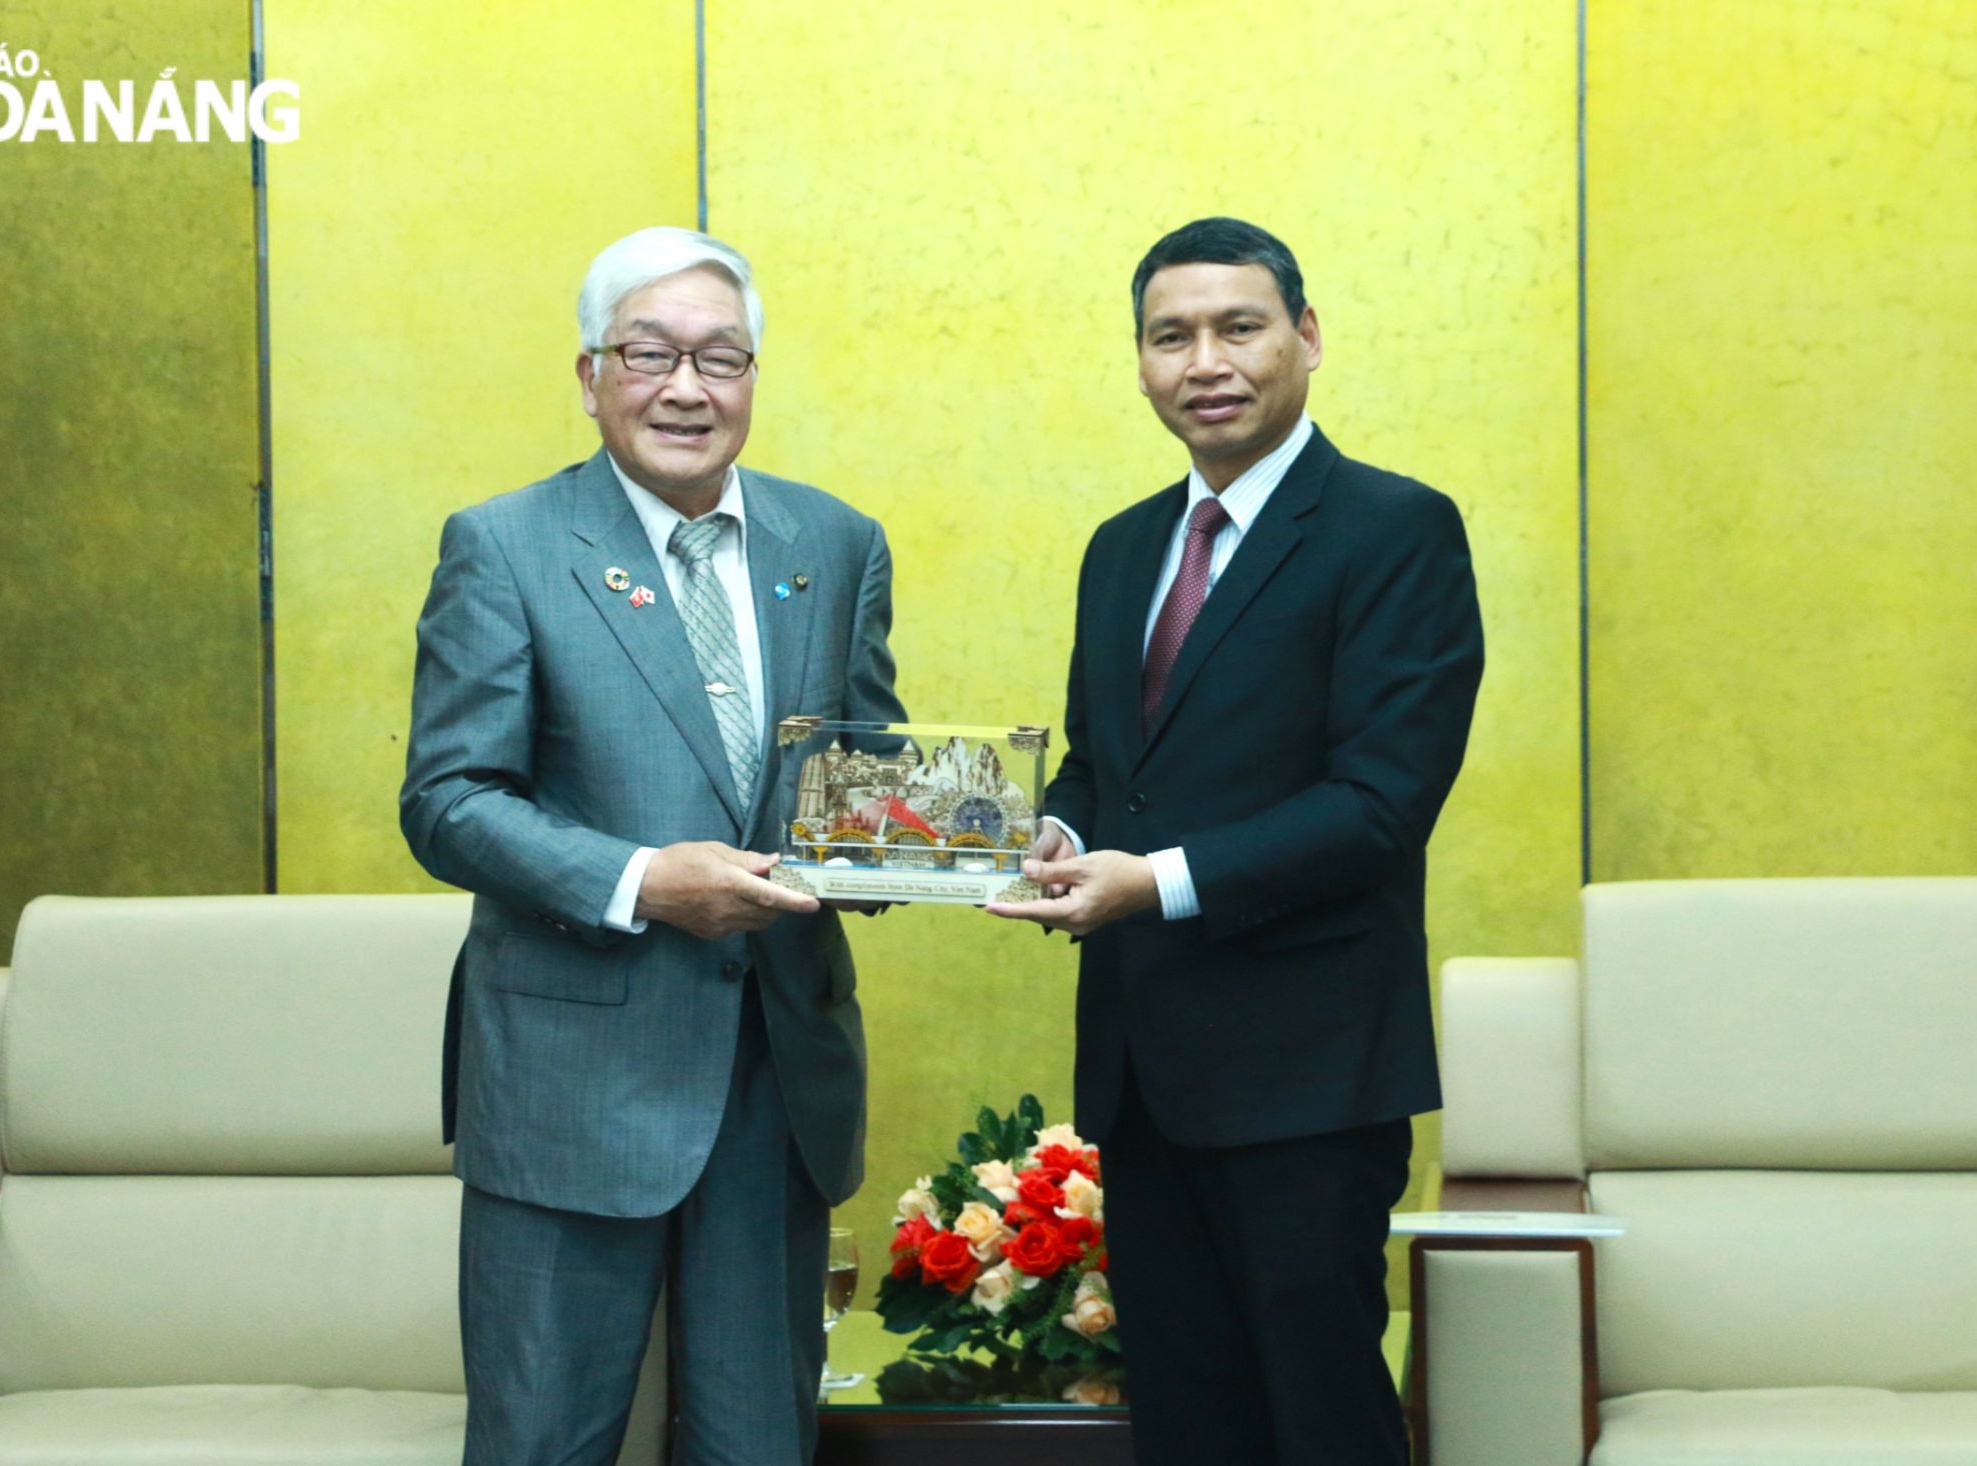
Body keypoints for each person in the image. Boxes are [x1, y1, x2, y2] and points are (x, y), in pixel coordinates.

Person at [401, 225, 904, 1466]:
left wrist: (945, 840)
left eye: (720, 357)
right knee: (542, 1441)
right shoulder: (506, 545)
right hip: (573, 1077)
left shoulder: (833, 544)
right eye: (651, 353)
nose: (688, 387)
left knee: (757, 1443)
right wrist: (639, 881)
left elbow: (867, 761)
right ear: (590, 375)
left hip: (774, 1076)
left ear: (751, 377)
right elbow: (448, 797)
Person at [989, 216, 1483, 1463]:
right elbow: (1109, 772)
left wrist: (1144, 884)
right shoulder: (1120, 546)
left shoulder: (1394, 530)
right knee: (1188, 1417)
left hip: (1307, 1077)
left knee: (1319, 1415)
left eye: (1237, 326)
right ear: (1142, 363)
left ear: (1304, 339)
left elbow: (1378, 802)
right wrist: (1044, 836)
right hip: (1145, 1075)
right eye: (1170, 336)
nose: (1202, 359)